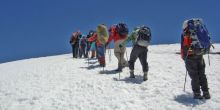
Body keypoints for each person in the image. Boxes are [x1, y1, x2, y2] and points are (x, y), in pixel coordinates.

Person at [181, 19, 211, 99]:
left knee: (194, 76)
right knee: (202, 75)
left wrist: (184, 58)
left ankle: (197, 94)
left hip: (190, 58)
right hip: (200, 56)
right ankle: (206, 93)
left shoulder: (185, 33)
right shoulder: (198, 30)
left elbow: (183, 48)